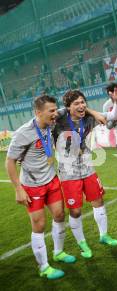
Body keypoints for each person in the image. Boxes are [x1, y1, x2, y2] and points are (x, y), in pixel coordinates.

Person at [5, 95, 76, 280]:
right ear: (38, 113)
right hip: (32, 186)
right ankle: (44, 267)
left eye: (55, 110)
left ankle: (58, 252)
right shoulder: (24, 132)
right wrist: (18, 189)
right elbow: (10, 161)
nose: (55, 114)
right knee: (39, 225)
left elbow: (68, 109)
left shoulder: (51, 121)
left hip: (51, 180)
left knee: (60, 215)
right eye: (51, 111)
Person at [53, 90, 117, 259]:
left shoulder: (89, 119)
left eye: (83, 102)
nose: (81, 105)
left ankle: (104, 235)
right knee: (75, 211)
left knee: (98, 201)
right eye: (76, 103)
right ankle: (82, 243)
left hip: (88, 168)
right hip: (68, 173)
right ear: (68, 107)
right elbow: (52, 114)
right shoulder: (59, 120)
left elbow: (111, 117)